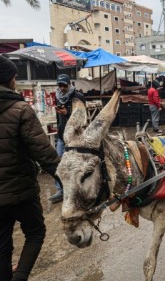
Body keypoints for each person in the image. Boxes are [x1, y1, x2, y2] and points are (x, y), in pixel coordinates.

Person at [0, 56, 60, 281]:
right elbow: (43, 152)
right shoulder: (21, 110)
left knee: (2, 248)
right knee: (35, 233)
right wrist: (65, 177)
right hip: (21, 191)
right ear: (10, 79)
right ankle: (20, 276)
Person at [51, 74, 85, 203]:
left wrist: (68, 113)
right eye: (60, 85)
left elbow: (82, 117)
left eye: (64, 85)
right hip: (61, 135)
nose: (62, 88)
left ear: (69, 84)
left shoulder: (78, 97)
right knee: (58, 161)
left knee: (77, 162)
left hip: (75, 134)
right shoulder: (58, 96)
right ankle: (60, 189)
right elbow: (58, 116)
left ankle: (78, 188)